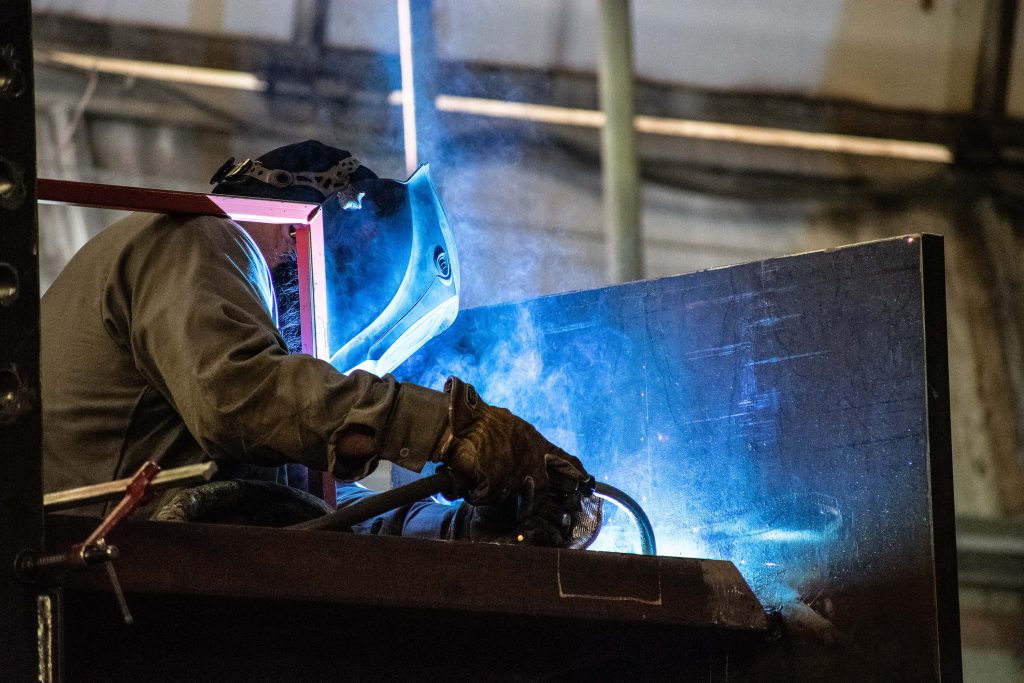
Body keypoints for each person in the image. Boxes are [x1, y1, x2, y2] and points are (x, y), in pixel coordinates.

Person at [41, 140, 593, 546]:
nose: (317, 340)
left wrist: (465, 527)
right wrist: (444, 427)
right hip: (91, 573)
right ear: (296, 230)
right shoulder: (197, 239)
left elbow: (333, 516)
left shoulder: (236, 342)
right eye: (350, 277)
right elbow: (240, 396)